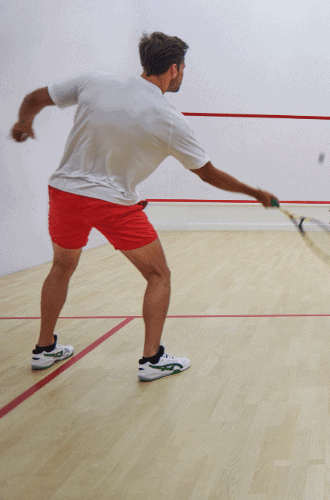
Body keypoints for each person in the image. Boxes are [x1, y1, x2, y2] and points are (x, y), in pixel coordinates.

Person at [11, 32, 278, 381]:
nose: (183, 73)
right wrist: (254, 192)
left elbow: (34, 98)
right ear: (173, 69)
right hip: (112, 205)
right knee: (158, 275)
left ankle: (44, 349)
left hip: (64, 194)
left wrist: (23, 122)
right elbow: (208, 174)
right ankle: (152, 360)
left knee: (61, 266)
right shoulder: (168, 119)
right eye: (184, 68)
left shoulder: (95, 82)